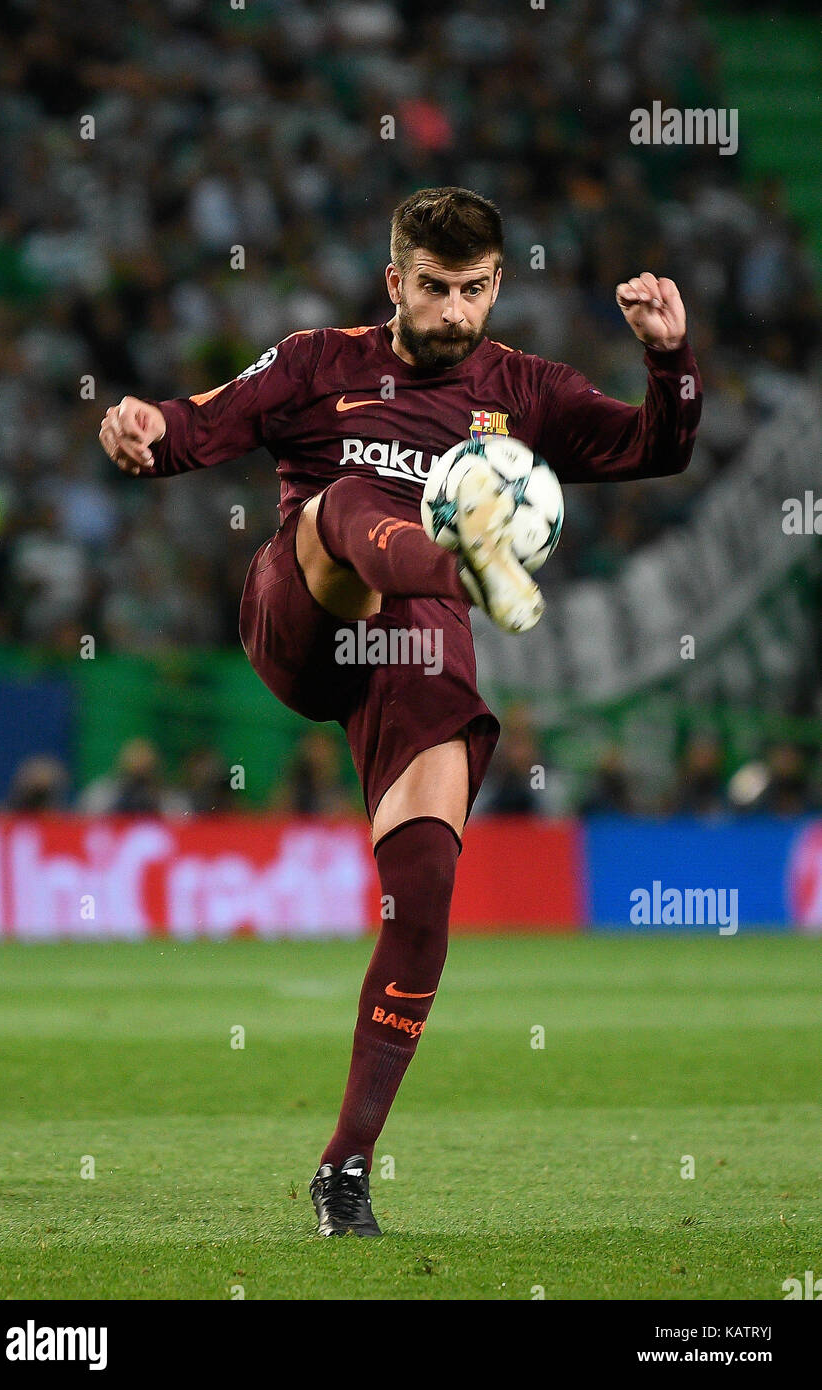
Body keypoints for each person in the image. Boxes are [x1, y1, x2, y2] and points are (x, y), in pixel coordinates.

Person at [99, 186, 702, 1236]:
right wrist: (142, 426)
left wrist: (668, 360)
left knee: (422, 893)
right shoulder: (314, 363)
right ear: (393, 283)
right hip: (306, 612)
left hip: (416, 649)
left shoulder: (525, 387)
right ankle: (461, 557)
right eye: (433, 289)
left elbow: (657, 448)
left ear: (496, 285)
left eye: (474, 291)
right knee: (345, 503)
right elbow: (189, 432)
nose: (454, 312)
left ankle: (343, 1167)